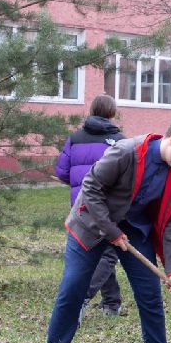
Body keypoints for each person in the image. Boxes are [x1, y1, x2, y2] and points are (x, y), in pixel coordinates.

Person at [33, 116, 171, 343]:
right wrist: (112, 232)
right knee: (73, 288)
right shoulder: (127, 151)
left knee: (150, 295)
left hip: (135, 230)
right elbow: (90, 188)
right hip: (92, 224)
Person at [54, 94, 127, 317]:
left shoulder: (75, 138)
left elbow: (62, 172)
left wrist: (78, 182)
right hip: (108, 207)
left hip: (80, 207)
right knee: (108, 253)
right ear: (112, 113)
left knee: (97, 250)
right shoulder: (120, 140)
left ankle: (112, 302)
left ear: (92, 110)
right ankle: (82, 297)